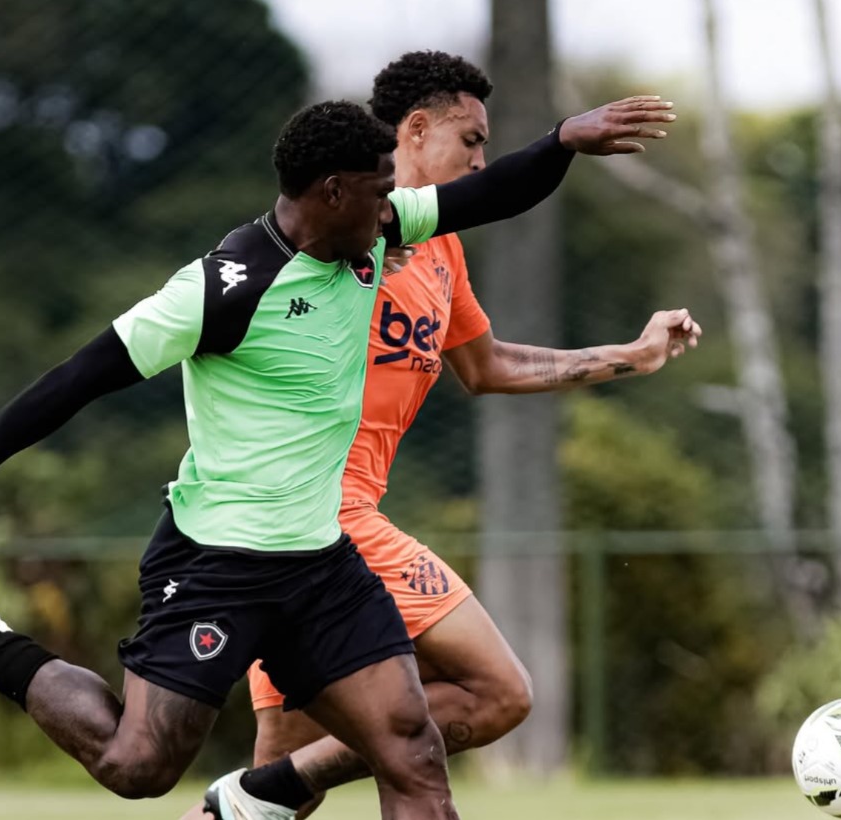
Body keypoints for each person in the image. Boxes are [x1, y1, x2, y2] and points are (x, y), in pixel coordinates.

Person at [0, 94, 675, 819]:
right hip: (218, 562)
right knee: (138, 766)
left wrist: (565, 140)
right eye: (381, 190)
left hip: (321, 566)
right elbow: (76, 379)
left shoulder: (377, 225)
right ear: (332, 193)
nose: (398, 207)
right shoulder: (219, 290)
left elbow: (489, 194)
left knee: (414, 755)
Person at [185, 54, 698, 820]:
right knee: (497, 694)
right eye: (471, 139)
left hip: (314, 529)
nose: (480, 160)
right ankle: (263, 791)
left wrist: (631, 355)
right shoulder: (344, 232)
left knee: (283, 786)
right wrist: (559, 143)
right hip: (314, 517)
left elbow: (487, 367)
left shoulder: (441, 249)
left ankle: (257, 795)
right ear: (415, 131)